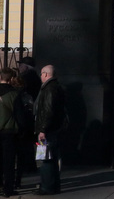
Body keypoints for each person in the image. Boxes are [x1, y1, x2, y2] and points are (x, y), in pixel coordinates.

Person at [33, 65, 66, 195]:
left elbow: (48, 110)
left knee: (45, 159)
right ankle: (53, 186)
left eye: (41, 73)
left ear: (46, 74)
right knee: (52, 158)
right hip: (54, 128)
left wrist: (42, 129)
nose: (40, 76)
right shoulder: (56, 87)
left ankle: (47, 186)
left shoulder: (48, 89)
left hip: (47, 130)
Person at [0, 69, 23, 196]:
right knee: (8, 162)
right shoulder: (14, 94)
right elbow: (20, 116)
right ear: (10, 79)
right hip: (9, 131)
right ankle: (8, 188)